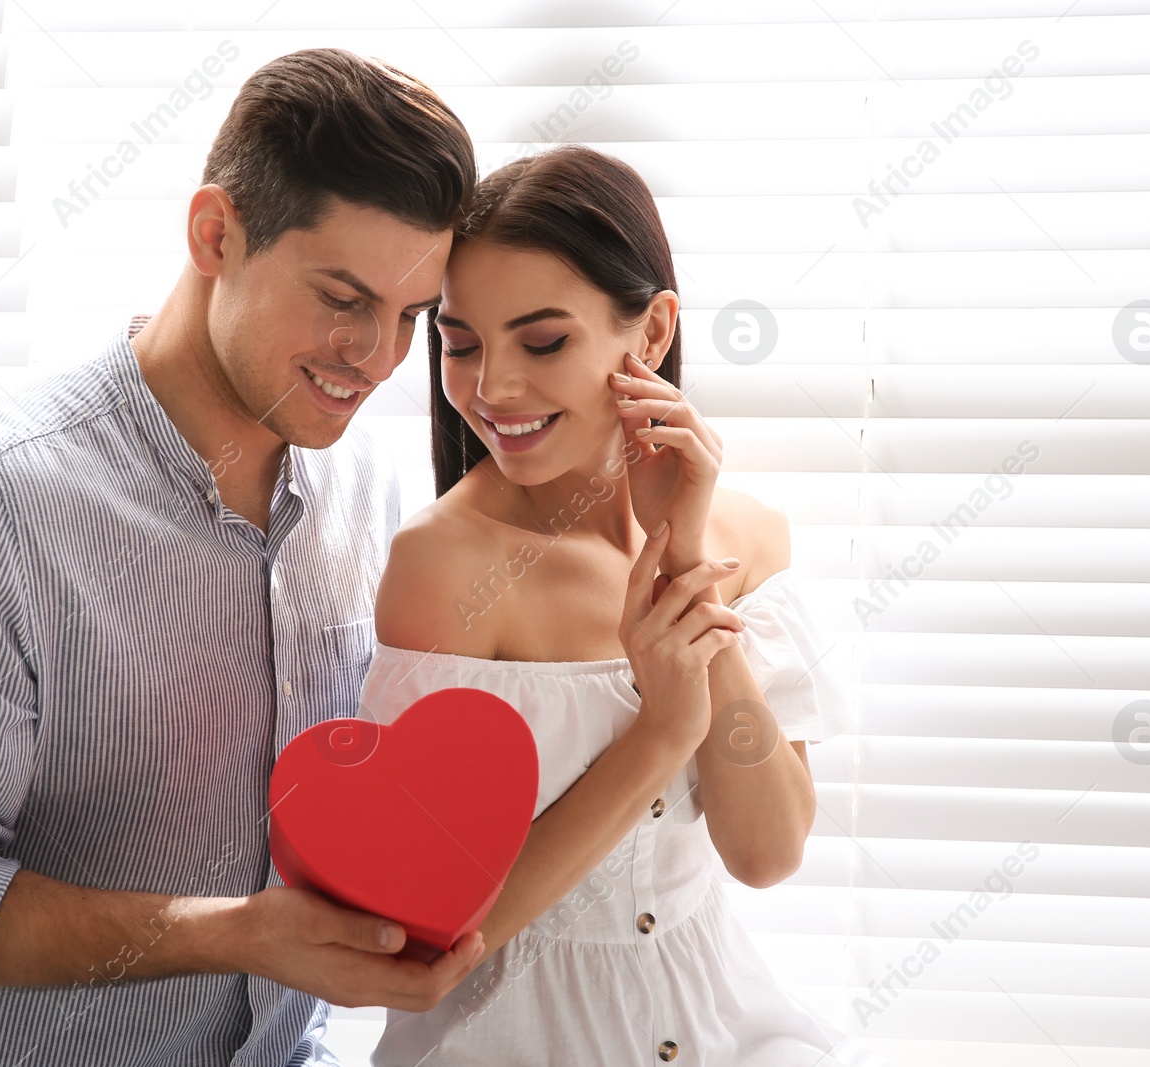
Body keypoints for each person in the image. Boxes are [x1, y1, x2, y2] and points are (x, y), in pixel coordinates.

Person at [0, 49, 487, 1066]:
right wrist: (232, 933)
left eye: (411, 317)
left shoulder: (366, 488)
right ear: (216, 232)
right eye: (343, 297)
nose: (379, 358)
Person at [363, 146, 893, 1065]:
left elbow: (766, 853)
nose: (492, 389)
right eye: (461, 343)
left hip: (725, 1026)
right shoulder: (443, 568)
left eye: (542, 341)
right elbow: (435, 934)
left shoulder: (750, 538)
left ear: (650, 334)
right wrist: (659, 732)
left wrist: (687, 563)